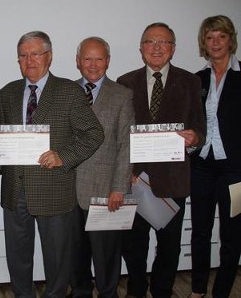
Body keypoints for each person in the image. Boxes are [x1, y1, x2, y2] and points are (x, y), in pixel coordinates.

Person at [0, 31, 104, 298]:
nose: (29, 60)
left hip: (54, 190)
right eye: (23, 55)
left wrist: (63, 156)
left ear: (49, 57)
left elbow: (94, 133)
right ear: (18, 60)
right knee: (18, 259)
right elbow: (2, 135)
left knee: (56, 261)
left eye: (36, 53)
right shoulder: (7, 93)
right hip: (14, 190)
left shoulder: (69, 91)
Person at [117, 22, 206, 298]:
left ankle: (162, 290)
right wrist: (124, 172)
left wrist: (195, 139)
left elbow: (199, 128)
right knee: (134, 245)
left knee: (169, 246)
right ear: (141, 48)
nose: (156, 47)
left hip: (172, 179)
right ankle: (136, 289)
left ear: (173, 48)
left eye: (163, 42)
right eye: (150, 42)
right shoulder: (125, 82)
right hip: (134, 180)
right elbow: (118, 135)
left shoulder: (191, 81)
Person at [67, 37, 134, 298]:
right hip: (68, 189)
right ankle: (81, 291)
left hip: (106, 191)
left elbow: (125, 145)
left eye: (99, 58)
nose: (93, 65)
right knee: (75, 252)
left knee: (106, 255)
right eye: (87, 58)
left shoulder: (122, 95)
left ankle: (108, 293)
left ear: (107, 61)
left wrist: (120, 188)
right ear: (77, 61)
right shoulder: (66, 91)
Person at [190, 15, 241, 298]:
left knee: (232, 236)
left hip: (236, 171)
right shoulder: (197, 79)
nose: (216, 42)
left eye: (221, 36)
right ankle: (198, 289)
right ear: (204, 43)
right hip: (202, 168)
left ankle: (221, 291)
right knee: (200, 232)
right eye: (210, 37)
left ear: (230, 40)